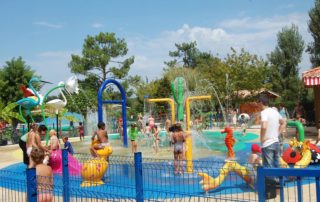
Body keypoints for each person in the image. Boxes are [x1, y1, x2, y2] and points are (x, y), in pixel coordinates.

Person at [259, 94, 285, 169]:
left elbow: (264, 126)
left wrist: (262, 139)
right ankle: (279, 180)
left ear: (261, 102)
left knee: (268, 168)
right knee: (277, 166)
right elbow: (283, 123)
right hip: (276, 143)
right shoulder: (274, 112)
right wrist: (277, 134)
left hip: (267, 144)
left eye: (258, 103)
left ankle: (271, 181)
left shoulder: (264, 112)